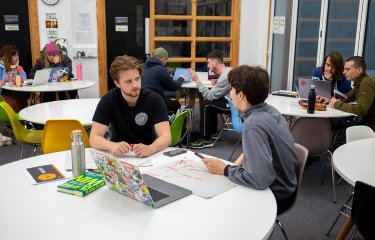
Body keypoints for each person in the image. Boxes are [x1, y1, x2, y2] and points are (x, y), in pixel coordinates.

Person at [202, 65, 298, 214]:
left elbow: (261, 179)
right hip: (288, 186)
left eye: (232, 89)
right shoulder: (270, 110)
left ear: (240, 95)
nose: (230, 93)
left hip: (273, 197)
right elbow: (265, 146)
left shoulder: (253, 124)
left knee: (215, 206)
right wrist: (239, 161)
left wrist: (224, 169)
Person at [89, 55, 171, 158]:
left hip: (148, 155)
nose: (135, 85)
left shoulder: (155, 100)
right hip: (118, 156)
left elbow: (166, 137)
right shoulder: (108, 100)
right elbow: (94, 138)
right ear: (117, 83)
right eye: (129, 81)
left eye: (137, 79)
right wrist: (111, 145)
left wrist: (151, 148)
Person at [188, 50, 232, 148]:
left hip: (233, 106)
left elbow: (209, 95)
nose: (207, 66)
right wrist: (217, 83)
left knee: (207, 104)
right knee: (211, 102)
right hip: (231, 100)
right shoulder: (228, 71)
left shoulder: (224, 77)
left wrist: (197, 80)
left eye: (208, 63)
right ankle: (213, 133)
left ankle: (205, 139)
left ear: (215, 63)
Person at [321, 56, 375, 131]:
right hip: (366, 124)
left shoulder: (366, 83)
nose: (343, 72)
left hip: (370, 128)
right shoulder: (361, 83)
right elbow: (346, 97)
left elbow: (361, 110)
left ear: (359, 70)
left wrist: (336, 104)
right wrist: (329, 100)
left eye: (347, 69)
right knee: (333, 126)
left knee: (332, 131)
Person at [142, 47, 185, 114]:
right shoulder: (161, 69)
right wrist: (181, 78)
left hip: (141, 102)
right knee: (176, 104)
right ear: (163, 59)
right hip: (155, 103)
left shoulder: (141, 66)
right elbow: (174, 87)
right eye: (166, 60)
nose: (166, 62)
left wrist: (167, 76)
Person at [0, 45, 28, 112]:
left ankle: (23, 120)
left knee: (23, 100)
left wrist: (18, 68)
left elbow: (24, 79)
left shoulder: (15, 67)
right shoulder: (1, 66)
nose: (18, 58)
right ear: (8, 56)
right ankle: (13, 120)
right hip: (2, 94)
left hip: (12, 92)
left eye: (18, 55)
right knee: (15, 103)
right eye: (15, 56)